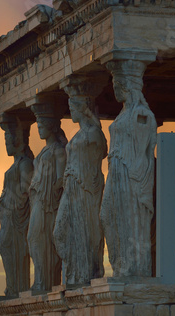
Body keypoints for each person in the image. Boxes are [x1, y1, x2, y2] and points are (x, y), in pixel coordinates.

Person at [101, 60, 157, 277]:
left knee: (130, 220)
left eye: (118, 84)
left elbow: (146, 147)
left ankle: (131, 270)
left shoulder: (141, 113)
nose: (115, 88)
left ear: (129, 85)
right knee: (107, 215)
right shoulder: (123, 114)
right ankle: (119, 266)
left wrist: (136, 173)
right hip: (115, 173)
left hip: (130, 174)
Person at [54, 95, 107, 285]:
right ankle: (74, 272)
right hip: (71, 186)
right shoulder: (78, 135)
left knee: (84, 229)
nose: (71, 111)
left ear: (82, 108)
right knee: (59, 231)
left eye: (73, 107)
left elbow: (102, 152)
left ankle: (84, 275)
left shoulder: (93, 133)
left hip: (85, 188)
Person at [28, 117, 67, 291]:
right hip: (38, 200)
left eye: (42, 125)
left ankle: (44, 281)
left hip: (48, 203)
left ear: (52, 127)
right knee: (34, 239)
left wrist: (51, 190)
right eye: (38, 126)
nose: (39, 129)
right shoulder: (45, 150)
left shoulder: (58, 150)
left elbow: (61, 179)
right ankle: (41, 280)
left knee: (39, 239)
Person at [0, 118, 34, 296]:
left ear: (17, 140)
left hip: (16, 217)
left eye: (7, 140)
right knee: (5, 248)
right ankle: (13, 286)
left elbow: (26, 191)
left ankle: (18, 287)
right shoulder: (16, 164)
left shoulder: (25, 164)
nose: (6, 145)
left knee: (10, 248)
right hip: (8, 216)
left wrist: (11, 204)